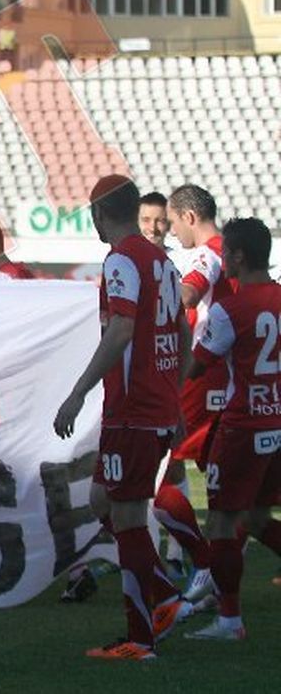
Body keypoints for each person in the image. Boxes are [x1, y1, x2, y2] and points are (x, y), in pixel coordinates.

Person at [53, 175, 193, 661]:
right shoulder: (162, 261)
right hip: (149, 407)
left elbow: (122, 331)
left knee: (127, 516)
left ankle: (140, 637)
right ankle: (167, 596)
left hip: (132, 410)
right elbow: (182, 332)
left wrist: (76, 393)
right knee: (102, 502)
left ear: (97, 214)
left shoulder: (122, 261)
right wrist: (175, 399)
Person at [182, 217, 281, 641]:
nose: (223, 261)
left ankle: (229, 621)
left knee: (221, 524)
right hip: (277, 422)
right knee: (257, 518)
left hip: (242, 426)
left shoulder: (230, 308)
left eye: (227, 255)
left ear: (238, 256)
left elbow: (198, 364)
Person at [155, 184, 234, 588]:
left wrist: (152, 292)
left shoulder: (207, 253)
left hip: (201, 377)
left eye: (171, 222)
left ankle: (203, 566)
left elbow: (187, 295)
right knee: (222, 479)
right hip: (223, 375)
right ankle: (204, 563)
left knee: (162, 466)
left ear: (188, 217)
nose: (170, 232)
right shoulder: (228, 249)